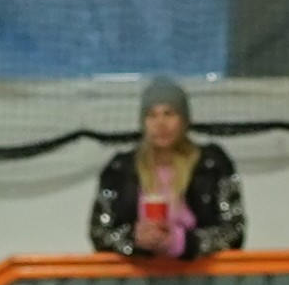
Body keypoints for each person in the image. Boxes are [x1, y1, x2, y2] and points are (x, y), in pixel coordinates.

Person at [89, 78, 247, 262]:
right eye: (152, 115)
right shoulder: (119, 169)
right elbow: (99, 232)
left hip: (200, 281)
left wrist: (180, 242)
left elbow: (233, 231)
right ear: (143, 122)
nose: (161, 123)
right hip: (138, 279)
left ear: (184, 119)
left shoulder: (212, 164)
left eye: (169, 114)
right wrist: (133, 239)